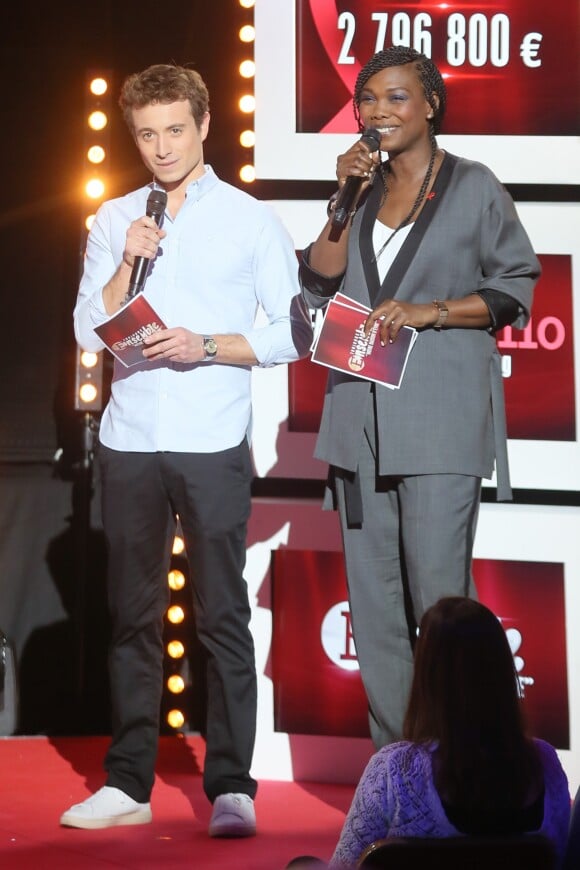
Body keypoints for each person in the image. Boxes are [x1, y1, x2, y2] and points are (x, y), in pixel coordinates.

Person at [61, 63, 312, 836]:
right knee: (131, 617)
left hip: (210, 439)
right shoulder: (113, 219)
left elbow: (295, 329)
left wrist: (206, 345)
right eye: (146, 134)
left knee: (220, 615)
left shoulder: (249, 220)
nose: (162, 147)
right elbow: (84, 329)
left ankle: (232, 785)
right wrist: (127, 265)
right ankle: (127, 781)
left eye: (175, 129)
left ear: (204, 126)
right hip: (130, 439)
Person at [299, 46, 540, 749]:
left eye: (396, 97)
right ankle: (396, 776)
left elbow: (515, 288)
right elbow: (317, 285)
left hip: (439, 423)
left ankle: (462, 773)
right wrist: (340, 202)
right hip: (358, 423)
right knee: (373, 615)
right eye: (367, 99)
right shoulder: (359, 192)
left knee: (440, 609)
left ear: (430, 104)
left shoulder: (474, 185)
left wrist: (430, 311)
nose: (378, 111)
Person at [330, 597, 571, 869]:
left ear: (426, 677)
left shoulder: (392, 770)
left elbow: (344, 866)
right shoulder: (545, 763)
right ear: (503, 671)